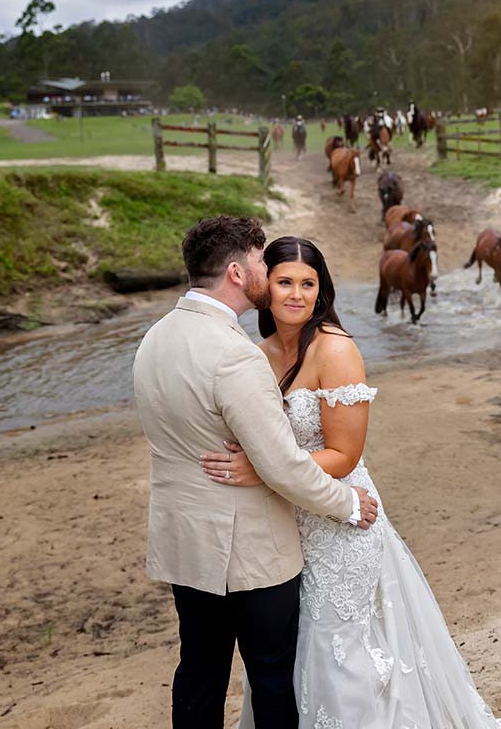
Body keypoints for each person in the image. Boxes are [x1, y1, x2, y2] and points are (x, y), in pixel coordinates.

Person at [200, 237, 501, 729]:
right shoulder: (257, 353)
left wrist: (264, 471)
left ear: (321, 290)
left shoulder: (336, 350)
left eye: (308, 284)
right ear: (262, 285)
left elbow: (344, 453)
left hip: (342, 522)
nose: (296, 294)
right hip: (285, 526)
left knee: (339, 645)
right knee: (285, 651)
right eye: (285, 281)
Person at [133, 217, 381, 729]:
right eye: (261, 263)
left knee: (199, 671)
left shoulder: (154, 339)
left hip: (185, 540)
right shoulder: (236, 355)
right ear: (236, 271)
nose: (267, 273)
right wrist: (349, 503)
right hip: (249, 550)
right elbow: (281, 465)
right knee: (270, 675)